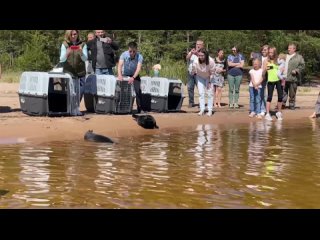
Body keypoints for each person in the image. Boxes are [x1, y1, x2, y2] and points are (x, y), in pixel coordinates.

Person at [59, 30, 88, 116]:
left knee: (80, 91)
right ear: (68, 35)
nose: (73, 36)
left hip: (80, 71)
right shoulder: (65, 44)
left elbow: (85, 59)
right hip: (69, 71)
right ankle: (71, 108)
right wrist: (67, 53)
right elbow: (62, 59)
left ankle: (76, 107)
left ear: (78, 34)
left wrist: (81, 52)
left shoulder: (83, 44)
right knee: (71, 91)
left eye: (75, 34)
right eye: (71, 34)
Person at [117, 42, 144, 113]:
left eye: (134, 51)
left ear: (136, 50)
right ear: (128, 49)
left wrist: (133, 77)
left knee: (138, 91)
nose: (132, 53)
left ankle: (139, 108)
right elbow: (120, 65)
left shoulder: (140, 56)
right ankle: (123, 108)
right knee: (124, 92)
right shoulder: (124, 54)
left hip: (134, 75)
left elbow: (138, 68)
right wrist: (119, 75)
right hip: (125, 75)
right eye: (130, 51)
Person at [191, 48, 215, 116]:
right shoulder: (196, 61)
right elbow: (193, 69)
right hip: (200, 77)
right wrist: (193, 71)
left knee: (209, 93)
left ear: (206, 55)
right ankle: (202, 109)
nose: (200, 57)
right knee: (201, 93)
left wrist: (210, 82)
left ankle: (210, 110)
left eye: (202, 55)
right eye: (199, 55)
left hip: (209, 77)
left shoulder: (211, 61)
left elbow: (212, 72)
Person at [282, 43, 305, 110]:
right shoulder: (285, 56)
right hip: (284, 78)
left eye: (290, 48)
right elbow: (279, 63)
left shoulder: (299, 57)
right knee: (283, 92)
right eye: (288, 48)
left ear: (294, 49)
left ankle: (291, 105)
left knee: (292, 93)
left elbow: (302, 66)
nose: (288, 49)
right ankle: (283, 104)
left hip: (293, 78)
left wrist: (296, 70)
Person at [263, 47, 283, 121]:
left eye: (272, 52)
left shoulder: (278, 60)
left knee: (280, 96)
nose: (270, 54)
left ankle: (279, 112)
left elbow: (282, 69)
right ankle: (267, 113)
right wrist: (267, 68)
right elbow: (264, 71)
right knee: (269, 97)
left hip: (278, 80)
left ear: (275, 53)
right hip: (270, 80)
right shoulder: (266, 60)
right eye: (269, 52)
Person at [186, 39, 204, 108]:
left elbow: (203, 59)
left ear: (202, 46)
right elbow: (187, 58)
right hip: (190, 73)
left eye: (199, 44)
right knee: (190, 88)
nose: (198, 45)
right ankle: (191, 102)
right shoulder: (192, 51)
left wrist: (196, 53)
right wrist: (191, 53)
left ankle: (201, 103)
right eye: (197, 44)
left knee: (200, 88)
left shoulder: (203, 52)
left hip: (198, 73)